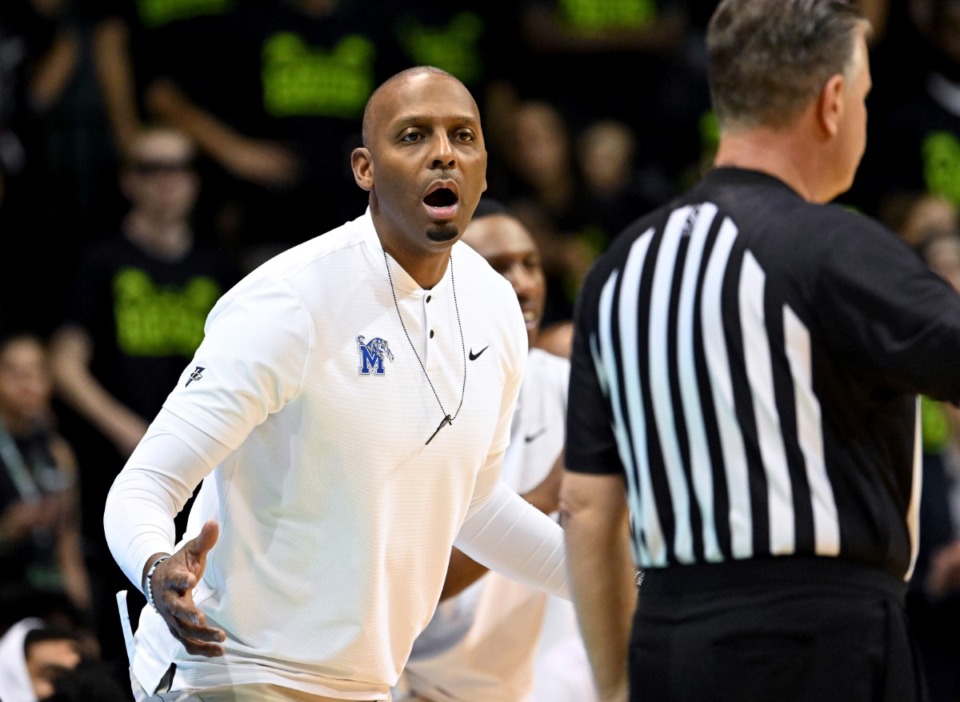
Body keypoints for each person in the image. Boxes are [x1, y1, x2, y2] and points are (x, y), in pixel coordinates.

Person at [102, 65, 568, 702]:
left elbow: (477, 507)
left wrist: (626, 585)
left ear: (485, 165)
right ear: (365, 169)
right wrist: (157, 566)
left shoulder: (494, 307)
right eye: (413, 136)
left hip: (364, 684)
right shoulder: (289, 303)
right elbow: (144, 485)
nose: (442, 153)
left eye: (463, 137)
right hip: (227, 668)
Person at [560, 1, 954, 700]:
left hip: (669, 638)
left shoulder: (618, 268)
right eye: (862, 98)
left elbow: (588, 506)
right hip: (823, 642)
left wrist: (620, 677)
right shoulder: (837, 247)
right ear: (833, 103)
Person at [48, 124, 241, 667]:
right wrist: (126, 428)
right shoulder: (102, 260)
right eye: (151, 169)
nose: (167, 182)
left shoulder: (217, 264)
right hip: (119, 460)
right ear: (129, 181)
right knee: (125, 603)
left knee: (200, 598)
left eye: (179, 168)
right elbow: (64, 363)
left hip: (202, 464)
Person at [395, 198, 596, 702]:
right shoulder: (405, 403)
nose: (525, 284)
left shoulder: (580, 393)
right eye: (499, 268)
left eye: (531, 263)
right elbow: (406, 586)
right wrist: (546, 495)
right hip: (427, 684)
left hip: (552, 683)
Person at [0, 331, 93, 622]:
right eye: (14, 372)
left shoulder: (58, 451)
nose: (28, 384)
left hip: (47, 598)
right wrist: (8, 530)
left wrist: (83, 623)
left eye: (37, 371)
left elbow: (68, 546)